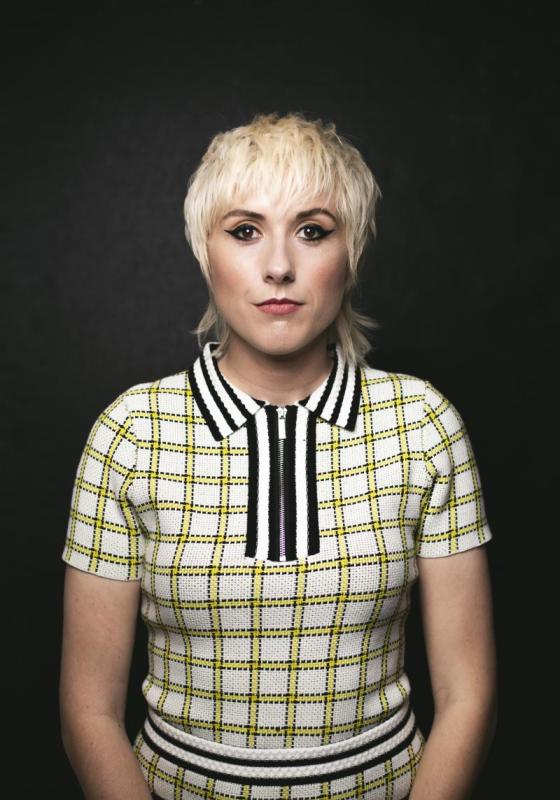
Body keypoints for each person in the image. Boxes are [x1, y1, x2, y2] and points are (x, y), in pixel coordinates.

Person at [59, 111, 497, 800]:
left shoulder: (424, 425)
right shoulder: (130, 434)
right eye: (244, 231)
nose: (279, 267)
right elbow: (88, 711)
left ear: (351, 251)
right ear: (205, 251)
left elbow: (468, 694)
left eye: (313, 231)